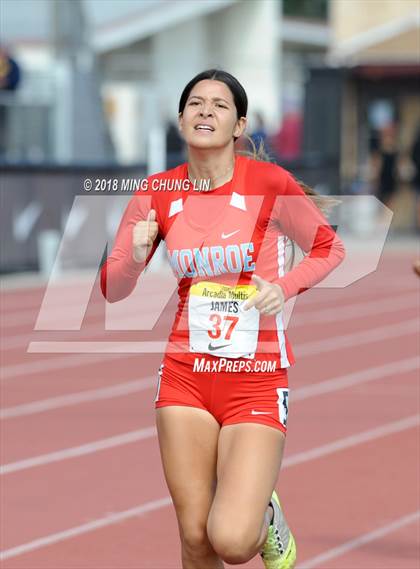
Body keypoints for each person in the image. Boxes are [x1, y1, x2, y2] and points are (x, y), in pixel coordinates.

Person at [101, 69, 345, 569]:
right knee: (196, 538)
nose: (205, 110)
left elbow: (329, 247)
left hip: (255, 377)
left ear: (239, 125)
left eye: (219, 104)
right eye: (195, 102)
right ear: (180, 119)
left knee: (232, 542)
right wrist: (134, 253)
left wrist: (284, 287)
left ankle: (267, 517)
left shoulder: (269, 184)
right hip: (185, 376)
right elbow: (113, 288)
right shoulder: (158, 192)